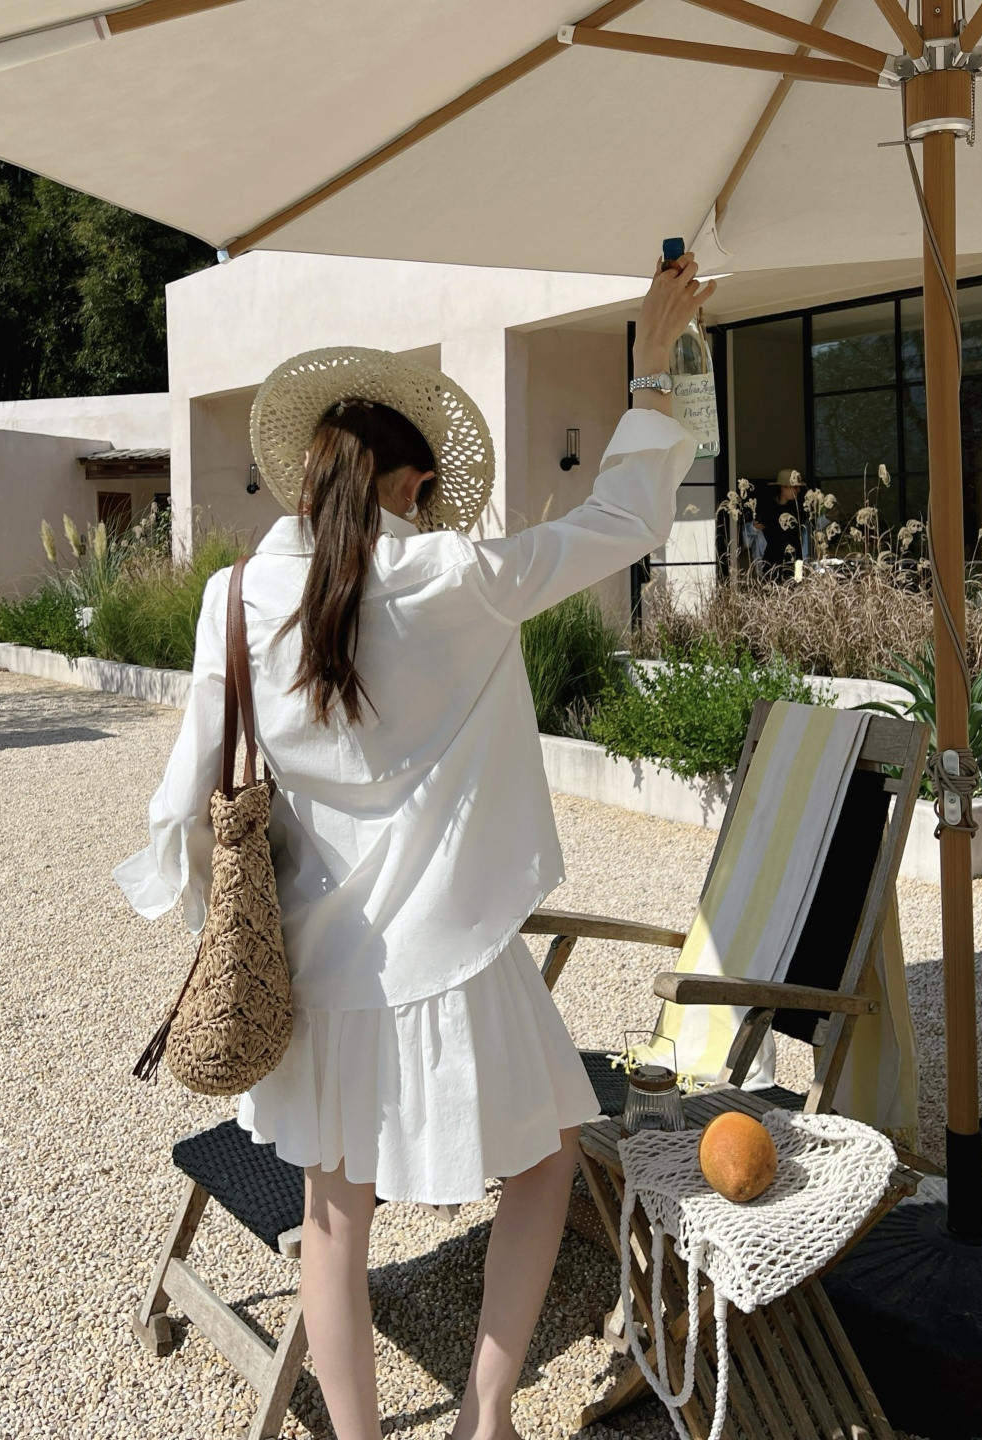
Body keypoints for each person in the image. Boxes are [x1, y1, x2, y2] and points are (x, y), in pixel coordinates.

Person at [114, 255, 713, 1440]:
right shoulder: (454, 578)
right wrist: (651, 368)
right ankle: (485, 1419)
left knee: (332, 1223)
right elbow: (622, 523)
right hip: (454, 953)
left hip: (316, 965)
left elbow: (186, 800)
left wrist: (208, 913)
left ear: (309, 477)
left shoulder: (234, 599)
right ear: (416, 483)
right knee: (544, 1162)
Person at [754, 467, 808, 578]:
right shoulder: (768, 509)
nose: (798, 490)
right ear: (783, 487)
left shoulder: (800, 509)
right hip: (772, 564)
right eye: (795, 487)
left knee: (798, 585)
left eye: (799, 487)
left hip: (796, 562)